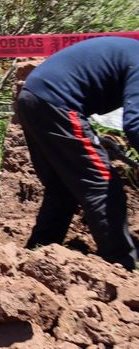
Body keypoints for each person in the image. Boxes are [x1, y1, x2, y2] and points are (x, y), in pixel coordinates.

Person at [17, 36, 139, 270]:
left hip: (33, 98)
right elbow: (135, 124)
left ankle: (39, 253)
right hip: (56, 101)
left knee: (63, 186)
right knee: (102, 183)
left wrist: (94, 139)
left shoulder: (132, 52)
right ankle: (121, 266)